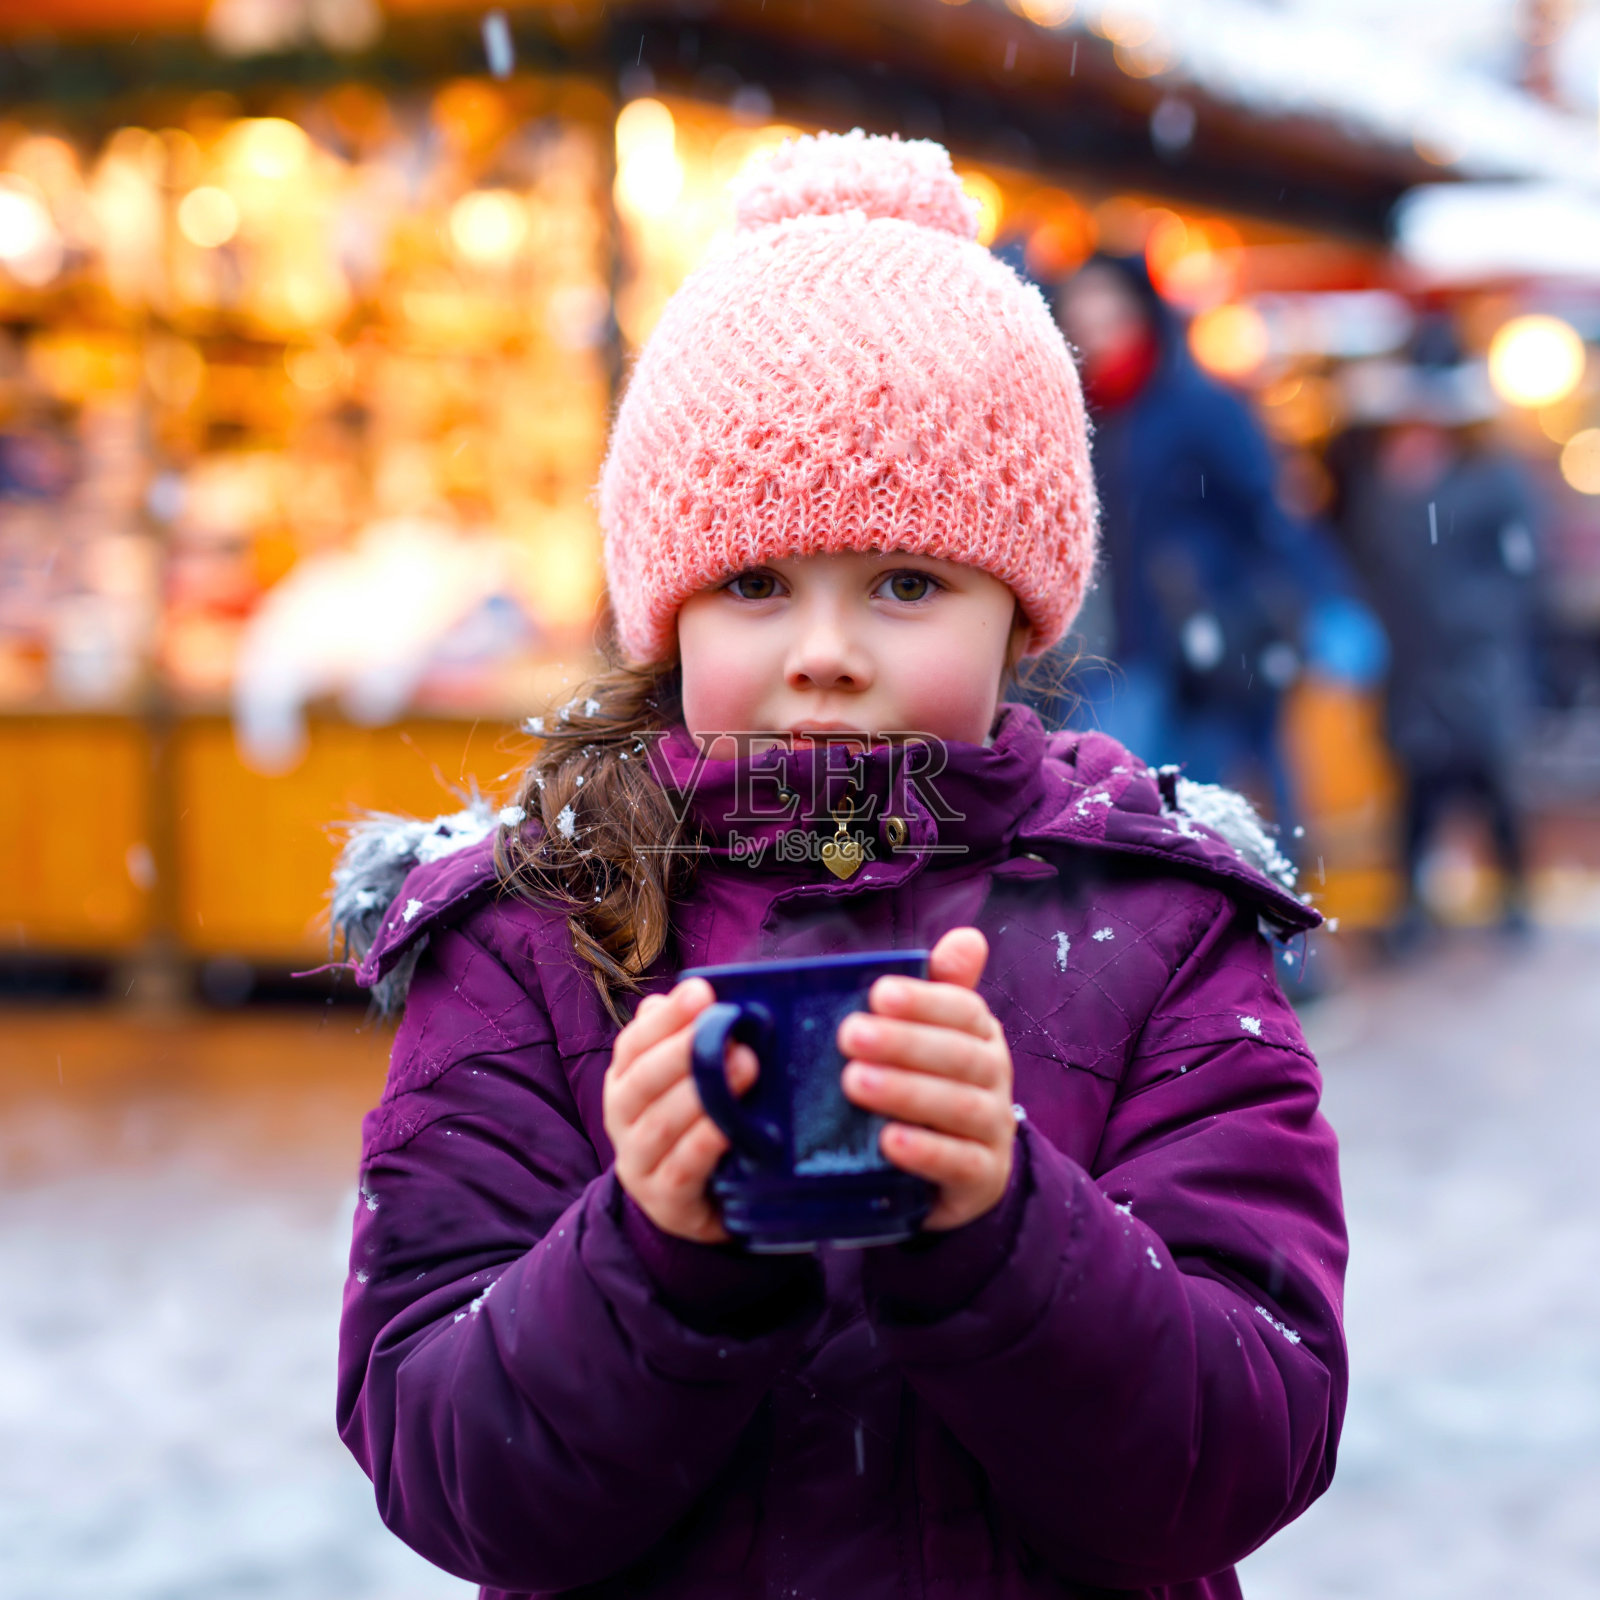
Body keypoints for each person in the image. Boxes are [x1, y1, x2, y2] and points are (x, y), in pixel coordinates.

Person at [333, 132, 1346, 1600]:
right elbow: (448, 1468)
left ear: (1023, 614)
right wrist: (652, 1250)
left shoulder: (1162, 927)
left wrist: (1007, 1228)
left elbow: (1249, 1441)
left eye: (906, 583)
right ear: (666, 615)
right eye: (752, 584)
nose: (822, 652)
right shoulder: (534, 940)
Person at [1045, 253, 1353, 832]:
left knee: (1222, 801)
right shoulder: (1070, 414)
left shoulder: (1198, 406)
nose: (1097, 332)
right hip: (1109, 648)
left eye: (1110, 313)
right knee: (1121, 808)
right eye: (1081, 318)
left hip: (1213, 639)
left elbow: (1269, 509)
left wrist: (1326, 600)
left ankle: (1269, 910)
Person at [1337, 385, 1542, 942]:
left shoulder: (1489, 480)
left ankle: (1514, 897)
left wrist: (1477, 622)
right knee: (1416, 786)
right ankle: (1412, 907)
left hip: (1475, 659)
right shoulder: (1385, 487)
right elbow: (1371, 565)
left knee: (1492, 778)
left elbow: (1519, 569)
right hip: (1414, 662)